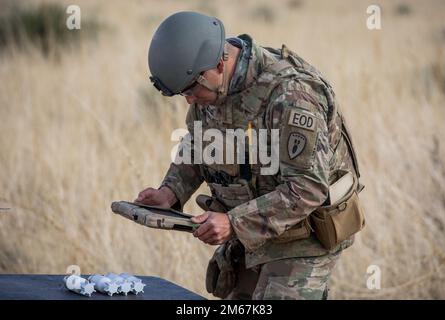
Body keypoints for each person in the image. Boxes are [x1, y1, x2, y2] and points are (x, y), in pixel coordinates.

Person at [135, 11, 364, 300]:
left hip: (304, 236)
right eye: (182, 94)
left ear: (219, 63)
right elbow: (198, 144)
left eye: (191, 90)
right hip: (251, 229)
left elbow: (308, 188)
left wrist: (233, 223)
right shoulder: (209, 85)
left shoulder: (291, 96)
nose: (189, 100)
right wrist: (169, 192)